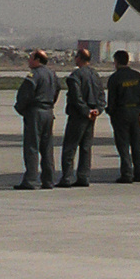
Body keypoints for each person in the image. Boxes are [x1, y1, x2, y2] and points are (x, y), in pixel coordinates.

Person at [58, 47, 105, 187]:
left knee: (70, 148)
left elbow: (76, 97)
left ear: (79, 58)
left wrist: (85, 111)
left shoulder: (75, 76)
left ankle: (66, 178)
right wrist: (97, 110)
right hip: (91, 116)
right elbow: (101, 95)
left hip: (79, 116)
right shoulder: (95, 75)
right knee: (86, 148)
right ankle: (83, 177)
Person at [13, 50, 60, 190]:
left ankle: (31, 180)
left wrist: (21, 109)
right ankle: (48, 180)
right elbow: (57, 91)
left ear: (37, 60)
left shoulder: (34, 75)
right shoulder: (52, 74)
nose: (29, 61)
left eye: (31, 58)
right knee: (47, 148)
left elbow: (25, 95)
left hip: (36, 112)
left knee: (32, 146)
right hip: (48, 112)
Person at [107, 50, 140, 183]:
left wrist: (110, 111)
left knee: (123, 145)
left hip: (120, 113)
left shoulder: (115, 78)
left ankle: (127, 173)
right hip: (135, 112)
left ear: (116, 61)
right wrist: (138, 109)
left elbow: (111, 100)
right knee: (137, 144)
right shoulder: (138, 76)